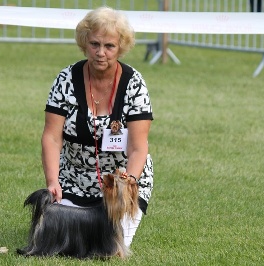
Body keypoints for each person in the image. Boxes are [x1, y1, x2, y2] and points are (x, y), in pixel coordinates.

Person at [41, 6, 154, 247]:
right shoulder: (65, 79)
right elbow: (51, 137)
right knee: (65, 244)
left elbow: (138, 146)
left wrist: (128, 181)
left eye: (109, 46)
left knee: (109, 247)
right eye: (94, 44)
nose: (100, 52)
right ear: (84, 43)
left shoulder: (135, 84)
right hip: (74, 178)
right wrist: (52, 181)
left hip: (119, 185)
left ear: (120, 48)